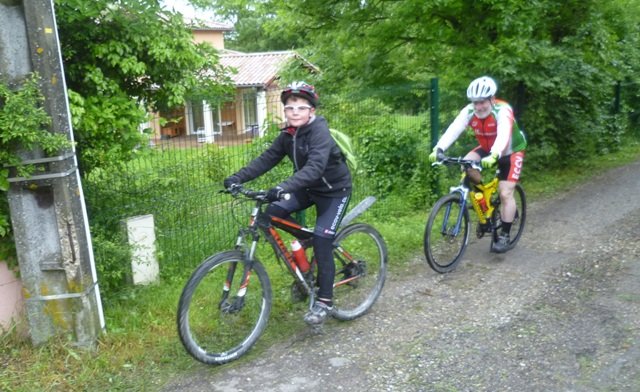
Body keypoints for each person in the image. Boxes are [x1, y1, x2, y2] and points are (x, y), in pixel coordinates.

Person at [223, 81, 352, 325]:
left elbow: (314, 168)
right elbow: (266, 159)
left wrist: (282, 187)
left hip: (334, 191)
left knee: (323, 240)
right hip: (308, 189)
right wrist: (236, 178)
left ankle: (324, 302)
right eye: (290, 107)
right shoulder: (288, 135)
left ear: (312, 111)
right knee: (270, 214)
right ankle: (307, 242)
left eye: (301, 107)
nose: (294, 112)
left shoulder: (319, 132)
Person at [429, 76, 527, 253]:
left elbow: (504, 134)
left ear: (492, 99)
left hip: (511, 151)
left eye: (482, 102)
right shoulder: (469, 111)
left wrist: (495, 154)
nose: (478, 107)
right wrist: (439, 148)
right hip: (487, 148)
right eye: (475, 103)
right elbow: (454, 129)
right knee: (467, 164)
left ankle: (504, 234)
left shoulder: (503, 110)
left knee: (505, 193)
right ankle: (485, 209)